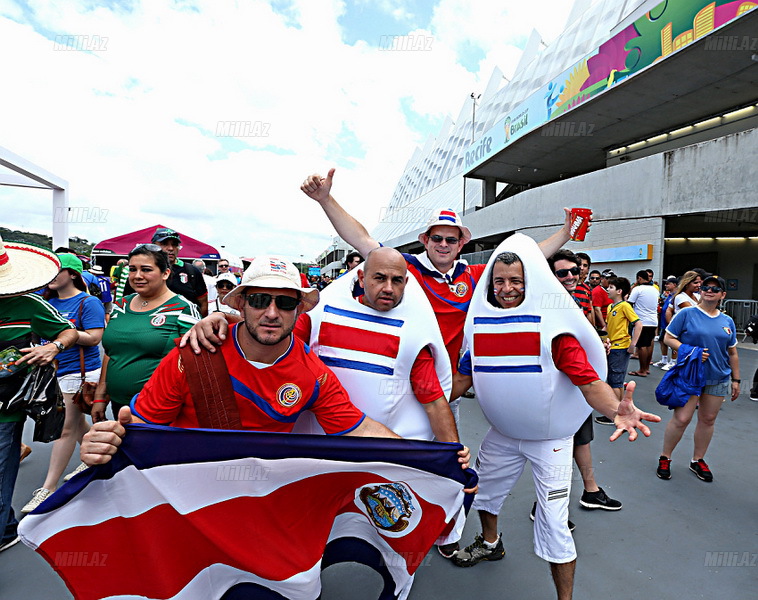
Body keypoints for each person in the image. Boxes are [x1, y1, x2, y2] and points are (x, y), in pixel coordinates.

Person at [446, 236, 658, 600]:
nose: (507, 289)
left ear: (530, 283)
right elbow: (462, 378)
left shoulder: (553, 330)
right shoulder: (480, 326)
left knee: (555, 524)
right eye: (499, 281)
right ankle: (490, 542)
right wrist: (419, 405)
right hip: (502, 435)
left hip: (552, 442)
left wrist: (614, 409)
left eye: (516, 281)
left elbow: (589, 382)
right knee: (483, 494)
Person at [81, 257, 434, 467]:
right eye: (260, 299)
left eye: (284, 303)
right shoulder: (193, 354)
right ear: (241, 304)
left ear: (299, 311)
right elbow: (141, 428)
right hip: (185, 486)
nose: (271, 313)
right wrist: (106, 442)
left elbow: (359, 428)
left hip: (259, 493)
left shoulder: (312, 373)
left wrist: (431, 458)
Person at [293, 247, 460, 443]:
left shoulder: (410, 334)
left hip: (376, 452)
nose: (389, 288)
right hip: (319, 449)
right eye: (379, 278)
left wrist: (454, 452)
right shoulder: (318, 318)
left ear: (406, 283)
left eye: (396, 280)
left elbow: (433, 401)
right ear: (362, 278)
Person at [0, 237, 77, 553]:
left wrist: (52, 347)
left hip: (7, 404)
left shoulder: (30, 306)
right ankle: (6, 528)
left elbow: (68, 331)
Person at [20, 254, 106, 514]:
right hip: (52, 373)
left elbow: (94, 338)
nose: (53, 276)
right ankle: (102, 461)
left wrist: (63, 338)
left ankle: (48, 488)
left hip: (79, 373)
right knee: (77, 423)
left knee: (64, 429)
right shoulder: (46, 302)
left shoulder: (88, 302)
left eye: (59, 270)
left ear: (73, 274)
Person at [547, 249, 622, 513]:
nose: (570, 276)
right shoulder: (545, 301)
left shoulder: (580, 293)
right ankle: (548, 504)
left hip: (579, 378)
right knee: (558, 444)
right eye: (562, 272)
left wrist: (599, 338)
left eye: (574, 270)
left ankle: (590, 490)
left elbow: (586, 325)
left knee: (581, 438)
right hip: (556, 382)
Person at [95, 244, 200, 421]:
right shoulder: (121, 305)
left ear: (165, 273)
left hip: (160, 409)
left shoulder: (183, 309)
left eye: (146, 269)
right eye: (132, 269)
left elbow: (194, 363)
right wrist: (100, 393)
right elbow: (111, 352)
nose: (137, 276)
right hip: (118, 404)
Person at [657, 276, 740, 482]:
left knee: (708, 419)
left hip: (718, 376)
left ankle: (697, 460)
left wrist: (736, 380)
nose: (709, 290)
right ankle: (665, 457)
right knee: (682, 418)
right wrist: (689, 350)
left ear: (723, 294)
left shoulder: (726, 321)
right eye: (705, 287)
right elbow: (668, 338)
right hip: (689, 375)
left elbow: (732, 352)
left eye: (715, 288)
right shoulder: (687, 313)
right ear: (700, 291)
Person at [595, 277, 642, 425]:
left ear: (619, 291)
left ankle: (614, 415)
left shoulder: (625, 306)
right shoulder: (610, 307)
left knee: (615, 381)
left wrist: (633, 344)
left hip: (620, 348)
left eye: (611, 287)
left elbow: (638, 324)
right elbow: (607, 327)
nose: (608, 290)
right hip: (612, 347)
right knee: (616, 381)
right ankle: (620, 411)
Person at [149, 228, 208, 316]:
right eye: (164, 244)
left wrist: (198, 325)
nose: (170, 248)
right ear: (153, 246)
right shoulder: (144, 271)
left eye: (175, 244)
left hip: (185, 327)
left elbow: (203, 303)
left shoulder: (191, 271)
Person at [662, 271, 702, 371]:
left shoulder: (697, 296)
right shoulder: (680, 297)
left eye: (700, 282)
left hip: (696, 333)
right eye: (695, 283)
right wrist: (671, 325)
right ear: (687, 283)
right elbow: (697, 313)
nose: (699, 285)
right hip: (686, 333)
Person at [627, 270, 659, 377]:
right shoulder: (655, 289)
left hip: (642, 321)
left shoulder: (638, 289)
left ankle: (642, 370)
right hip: (653, 320)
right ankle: (646, 368)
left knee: (641, 346)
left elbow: (629, 304)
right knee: (649, 344)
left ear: (639, 278)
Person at [652, 276, 678, 368]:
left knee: (673, 343)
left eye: (668, 283)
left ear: (674, 285)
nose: (666, 285)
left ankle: (673, 361)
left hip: (672, 324)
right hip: (664, 323)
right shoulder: (669, 295)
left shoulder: (677, 296)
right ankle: (664, 359)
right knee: (662, 340)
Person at [573, 252, 595, 326]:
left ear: (588, 270)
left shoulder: (587, 289)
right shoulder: (565, 285)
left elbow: (588, 311)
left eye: (585, 265)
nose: (581, 268)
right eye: (579, 264)